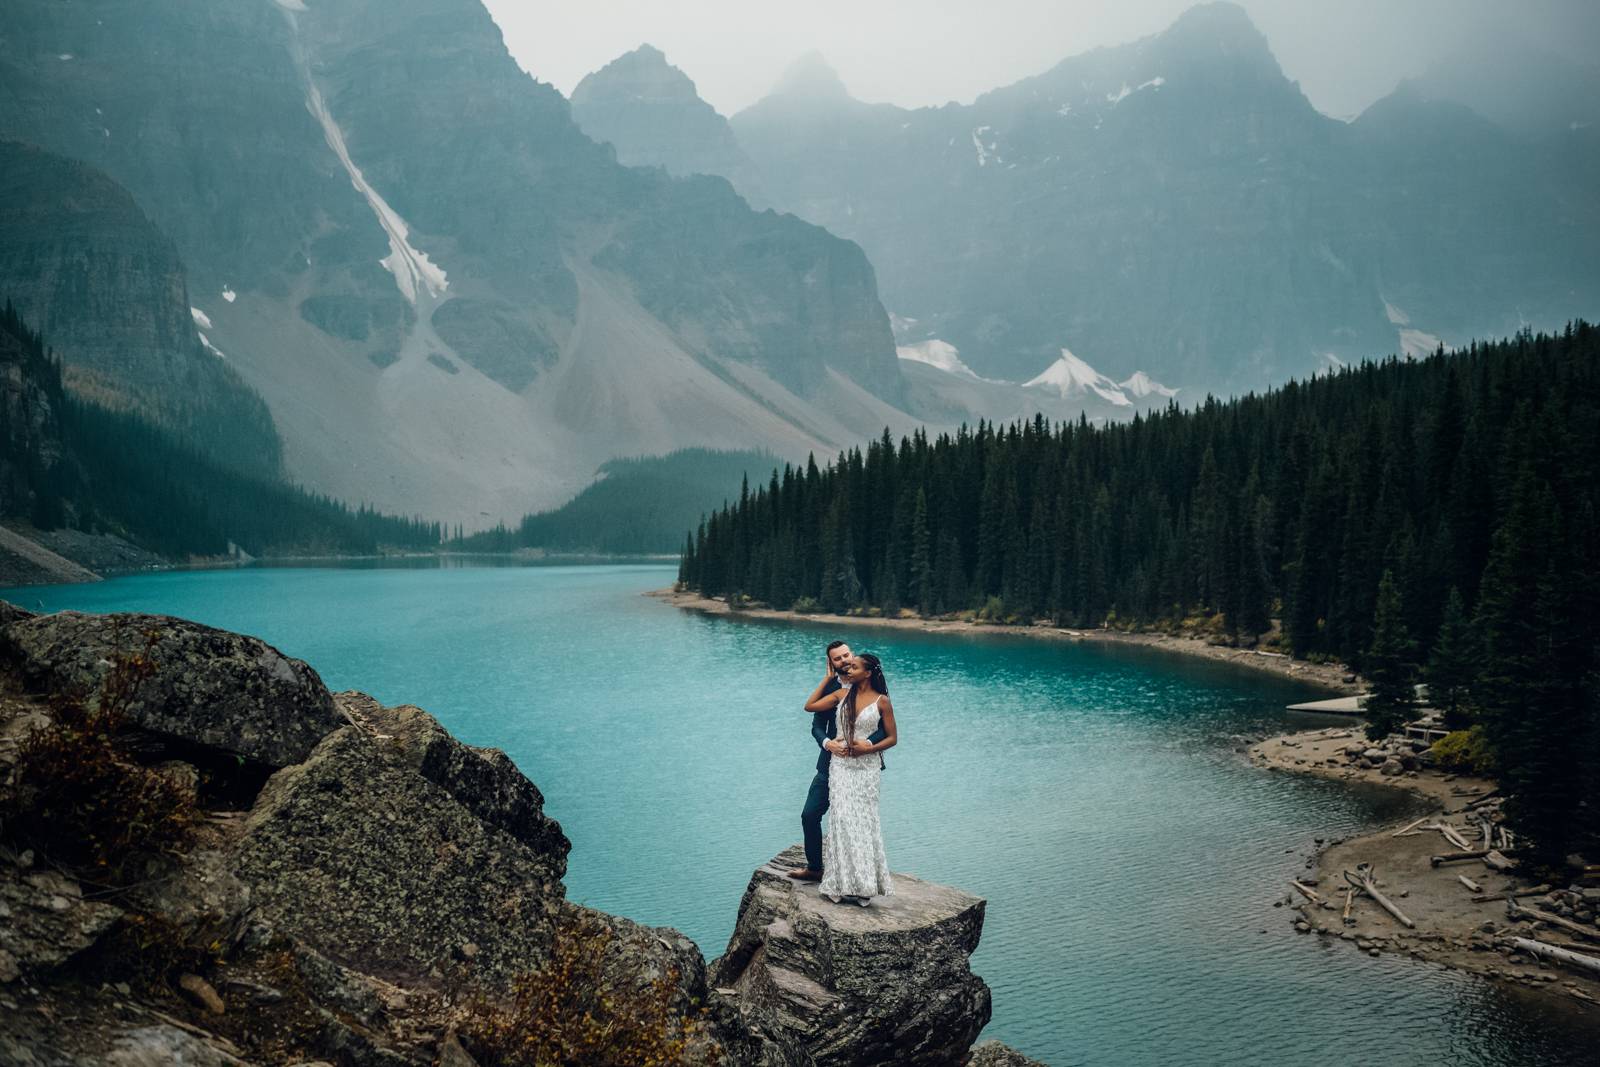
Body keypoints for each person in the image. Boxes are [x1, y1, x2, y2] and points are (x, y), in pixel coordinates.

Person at [805, 653, 897, 905]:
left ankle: (865, 886)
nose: (849, 668)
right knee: (841, 820)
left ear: (867, 673)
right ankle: (838, 882)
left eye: (854, 666)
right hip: (841, 765)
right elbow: (810, 706)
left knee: (865, 822)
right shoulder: (841, 695)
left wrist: (867, 747)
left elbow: (892, 738)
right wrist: (826, 680)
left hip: (866, 767)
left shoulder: (882, 701)